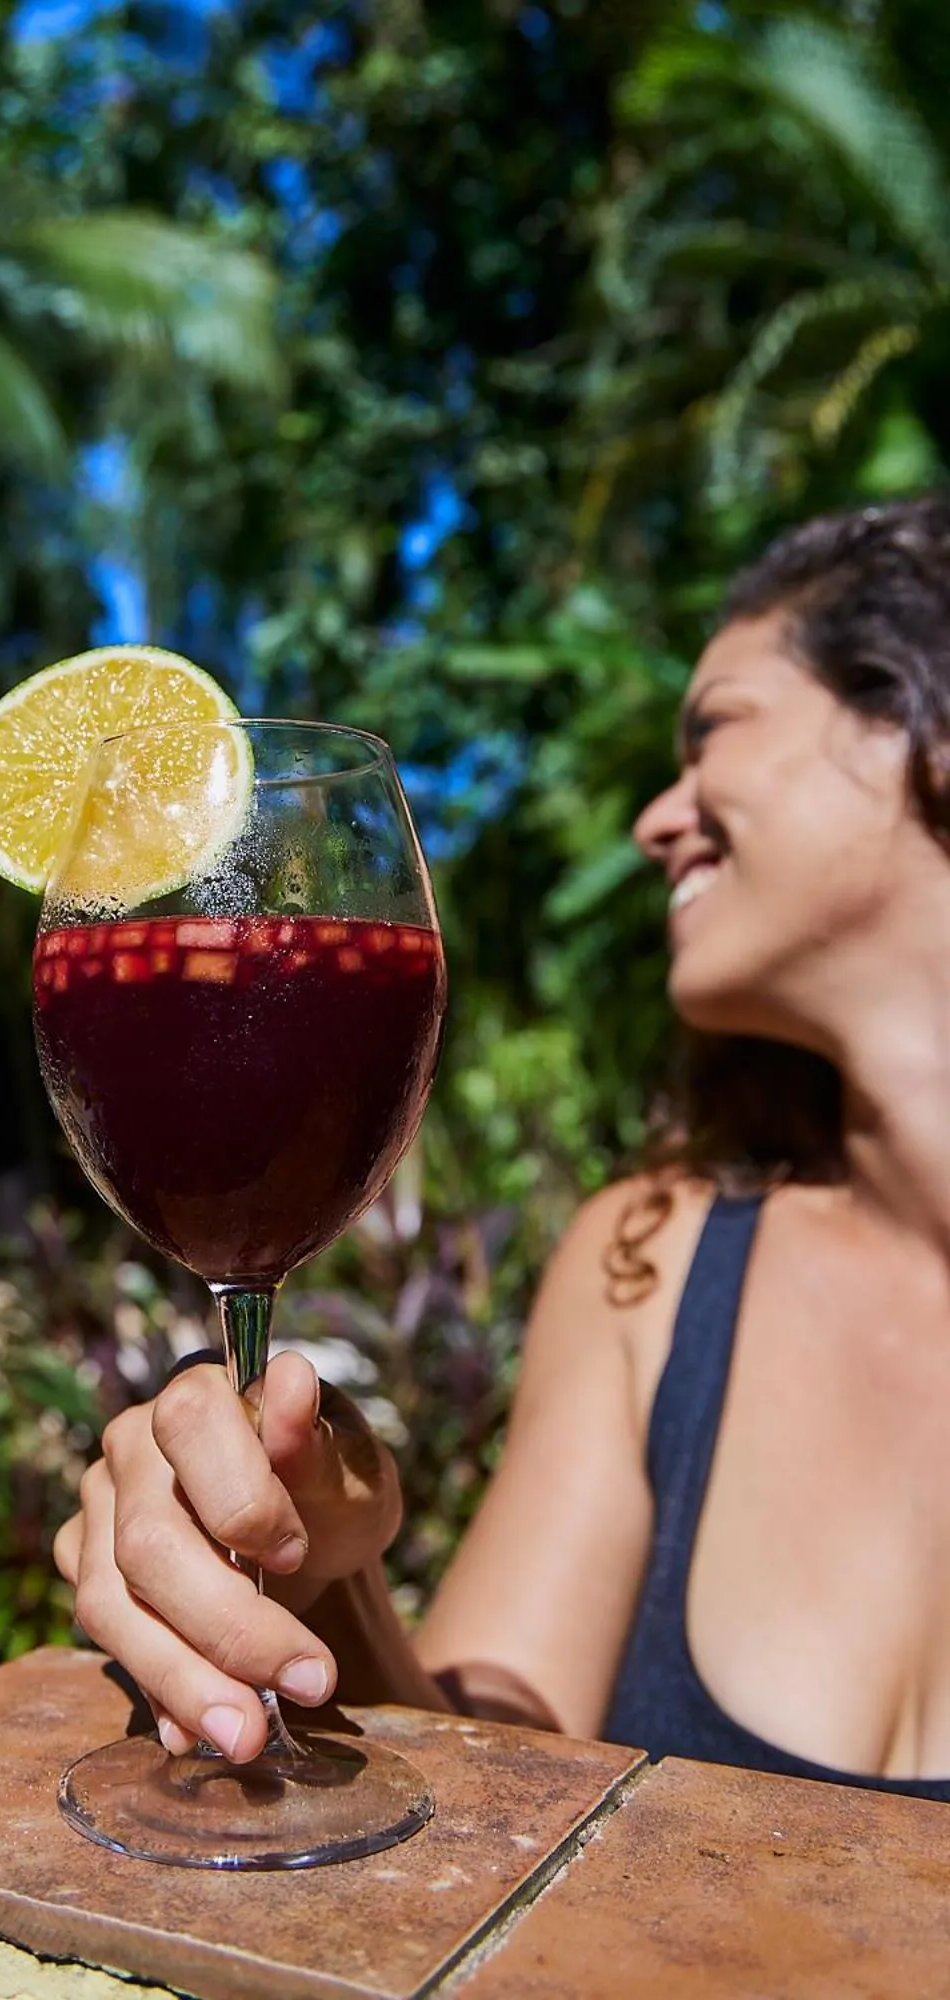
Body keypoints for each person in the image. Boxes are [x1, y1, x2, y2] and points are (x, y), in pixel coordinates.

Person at [54, 494, 950, 1800]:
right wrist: (318, 1562)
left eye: (714, 736)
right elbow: (490, 1793)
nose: (655, 818)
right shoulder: (653, 1262)